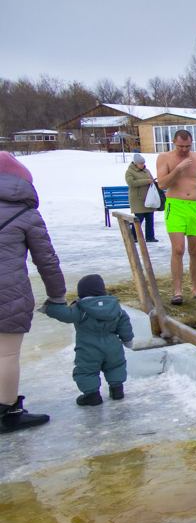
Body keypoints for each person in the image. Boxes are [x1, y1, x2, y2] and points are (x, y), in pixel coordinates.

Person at [0, 152, 66, 433]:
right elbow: (46, 261)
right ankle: (7, 412)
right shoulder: (25, 214)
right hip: (9, 294)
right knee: (5, 355)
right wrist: (57, 295)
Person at [42, 274, 133, 406]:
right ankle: (117, 390)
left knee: (86, 371)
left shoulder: (81, 308)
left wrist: (50, 308)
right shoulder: (115, 307)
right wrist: (127, 340)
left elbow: (65, 314)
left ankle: (92, 396)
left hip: (88, 348)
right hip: (113, 346)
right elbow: (124, 323)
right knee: (115, 366)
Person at [155, 129, 196, 304]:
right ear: (173, 143)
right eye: (180, 146)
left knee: (195, 250)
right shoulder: (164, 158)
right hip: (175, 206)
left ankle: (195, 288)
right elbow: (162, 184)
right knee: (178, 249)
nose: (184, 149)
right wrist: (178, 170)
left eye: (187, 146)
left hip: (195, 206)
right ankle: (177, 291)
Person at [124, 153, 159, 242]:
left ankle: (150, 237)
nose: (143, 165)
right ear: (135, 163)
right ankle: (134, 237)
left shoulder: (146, 171)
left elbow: (151, 180)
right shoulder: (129, 172)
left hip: (148, 198)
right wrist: (147, 181)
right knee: (138, 219)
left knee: (150, 218)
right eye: (141, 163)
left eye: (143, 163)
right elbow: (131, 183)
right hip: (137, 200)